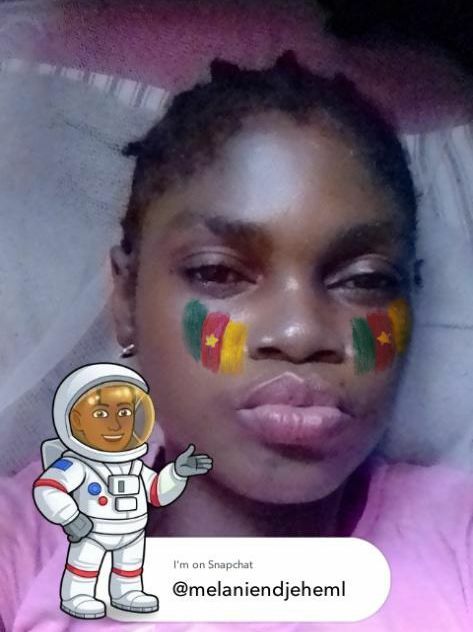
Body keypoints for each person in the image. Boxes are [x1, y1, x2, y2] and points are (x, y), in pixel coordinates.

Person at [1, 50, 472, 631]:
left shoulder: (458, 541)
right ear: (125, 298)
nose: (300, 334)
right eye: (219, 273)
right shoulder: (30, 543)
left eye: (366, 280)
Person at [32, 363, 212, 619]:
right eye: (101, 414)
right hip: (92, 531)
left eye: (125, 412)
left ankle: (127, 593)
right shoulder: (76, 465)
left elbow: (156, 493)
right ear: (76, 421)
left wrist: (177, 473)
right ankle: (78, 595)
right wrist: (70, 516)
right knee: (85, 565)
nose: (115, 424)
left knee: (130, 567)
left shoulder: (134, 465)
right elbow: (48, 488)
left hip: (132, 531)